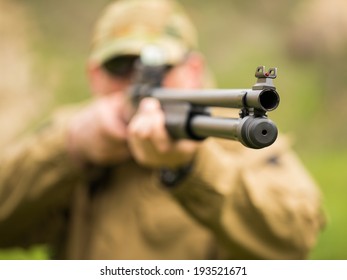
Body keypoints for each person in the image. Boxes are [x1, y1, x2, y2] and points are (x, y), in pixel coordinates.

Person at [0, 0, 325, 260]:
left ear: (193, 71)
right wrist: (70, 149)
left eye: (161, 68)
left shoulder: (229, 136)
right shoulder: (73, 134)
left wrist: (191, 168)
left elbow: (295, 241)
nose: (138, 82)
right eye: (120, 66)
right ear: (94, 75)